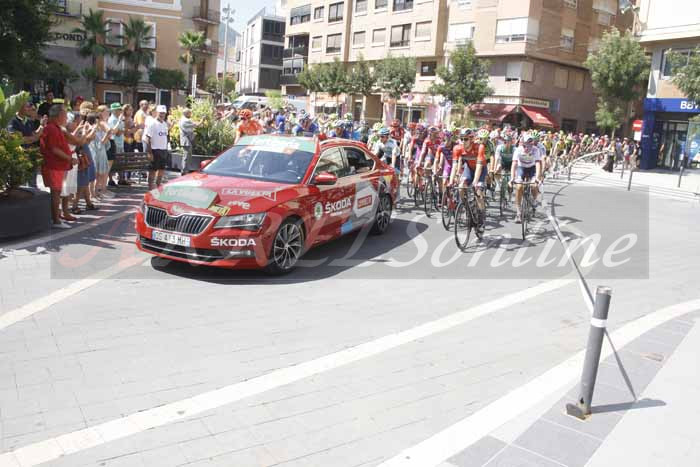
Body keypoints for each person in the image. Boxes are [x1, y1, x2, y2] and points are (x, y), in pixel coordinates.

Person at [40, 104, 76, 228]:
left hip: (57, 165)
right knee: (56, 192)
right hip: (54, 166)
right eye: (65, 115)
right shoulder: (51, 128)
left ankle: (56, 218)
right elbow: (54, 149)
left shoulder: (55, 127)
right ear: (59, 115)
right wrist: (70, 159)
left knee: (57, 192)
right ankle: (56, 221)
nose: (66, 118)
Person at [511, 134, 543, 223]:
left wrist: (537, 178)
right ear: (522, 144)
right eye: (524, 145)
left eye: (529, 145)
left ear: (532, 144)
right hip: (521, 168)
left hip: (532, 168)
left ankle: (534, 200)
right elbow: (514, 164)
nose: (526, 148)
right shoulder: (518, 150)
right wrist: (512, 178)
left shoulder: (536, 150)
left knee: (534, 185)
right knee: (519, 187)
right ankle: (518, 213)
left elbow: (537, 164)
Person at [143, 105, 170, 189]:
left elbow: (166, 136)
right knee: (153, 170)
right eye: (160, 113)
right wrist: (149, 153)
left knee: (161, 169)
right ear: (157, 113)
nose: (162, 115)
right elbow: (147, 138)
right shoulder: (152, 123)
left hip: (163, 150)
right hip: (154, 150)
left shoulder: (165, 124)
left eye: (163, 113)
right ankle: (150, 188)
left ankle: (158, 186)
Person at [107, 103, 127, 185]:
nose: (120, 111)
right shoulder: (112, 120)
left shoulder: (119, 119)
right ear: (113, 110)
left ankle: (121, 179)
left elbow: (122, 130)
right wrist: (123, 130)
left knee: (120, 162)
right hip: (114, 143)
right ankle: (110, 180)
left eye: (120, 109)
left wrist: (122, 130)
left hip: (120, 143)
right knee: (113, 163)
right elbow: (116, 133)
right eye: (118, 109)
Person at [179, 108, 199, 175]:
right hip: (186, 141)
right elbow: (195, 125)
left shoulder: (183, 119)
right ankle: (184, 172)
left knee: (186, 156)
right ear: (186, 113)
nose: (191, 114)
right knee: (186, 157)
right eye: (190, 113)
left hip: (186, 141)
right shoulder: (185, 120)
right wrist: (202, 121)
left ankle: (184, 171)